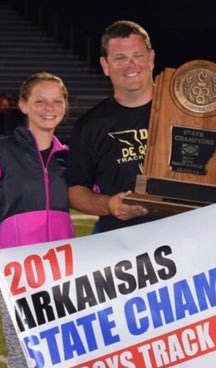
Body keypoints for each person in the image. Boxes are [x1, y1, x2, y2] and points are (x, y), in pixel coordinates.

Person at [0, 72, 74, 368]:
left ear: (65, 107)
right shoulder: (2, 151)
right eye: (40, 100)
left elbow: (99, 194)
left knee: (49, 362)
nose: (48, 107)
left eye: (57, 101)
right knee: (25, 361)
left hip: (63, 275)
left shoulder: (69, 157)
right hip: (16, 274)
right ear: (23, 105)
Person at [68, 20, 159, 233]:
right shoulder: (90, 125)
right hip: (125, 250)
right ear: (105, 65)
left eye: (138, 55)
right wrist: (109, 205)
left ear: (151, 58)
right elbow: (76, 191)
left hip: (188, 240)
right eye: (120, 58)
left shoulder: (186, 111)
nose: (131, 65)